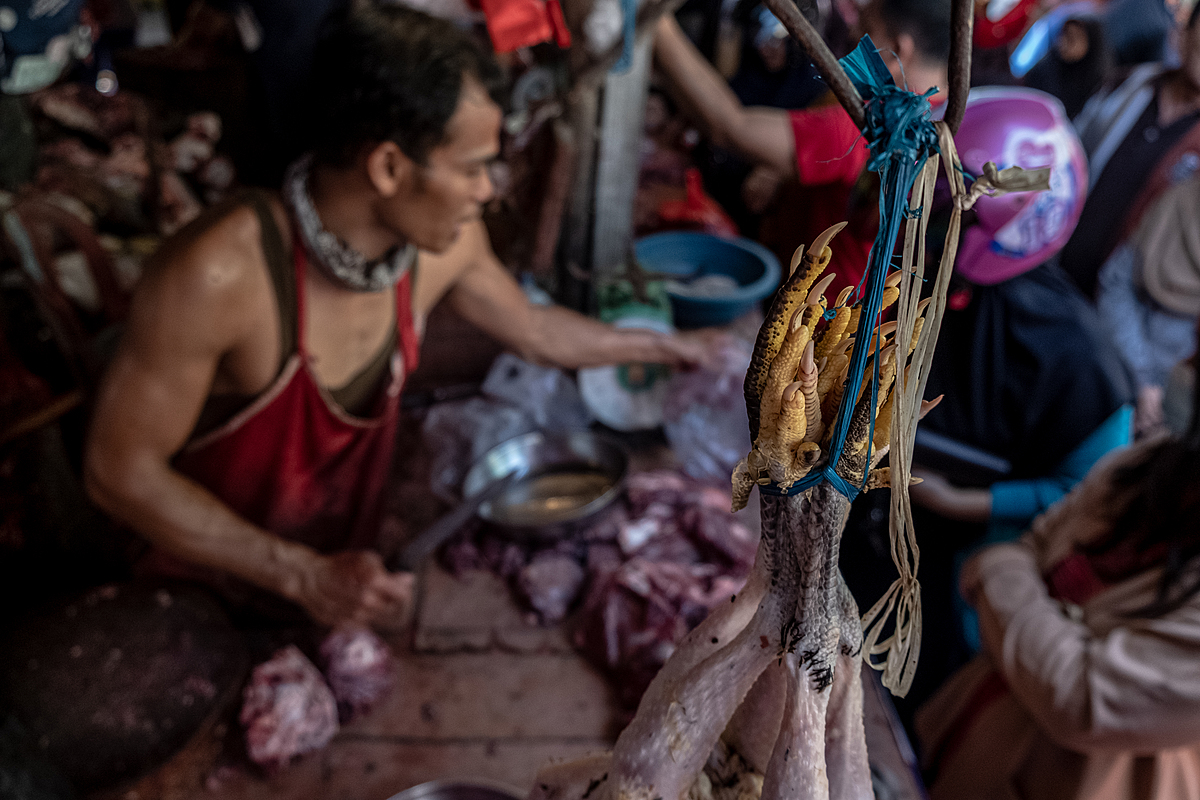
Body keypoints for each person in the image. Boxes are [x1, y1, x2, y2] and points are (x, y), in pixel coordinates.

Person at [83, 4, 711, 629]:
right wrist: (297, 572)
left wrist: (675, 350)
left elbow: (535, 329)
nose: (488, 190)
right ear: (387, 167)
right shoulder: (218, 274)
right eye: (470, 168)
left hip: (337, 576)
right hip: (200, 592)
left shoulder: (445, 247)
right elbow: (119, 473)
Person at [852, 87, 1135, 721]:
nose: (917, 220)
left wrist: (961, 501)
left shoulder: (1075, 362)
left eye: (946, 205)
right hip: (874, 541)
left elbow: (1090, 494)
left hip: (965, 592)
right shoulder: (922, 277)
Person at [915, 341, 1200, 800]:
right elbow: (1031, 543)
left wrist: (998, 575)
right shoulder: (1150, 466)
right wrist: (1053, 631)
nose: (1185, 369)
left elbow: (1079, 700)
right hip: (970, 729)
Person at [651, 0, 951, 297]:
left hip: (823, 324)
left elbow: (731, 127)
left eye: (867, 31)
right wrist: (784, 174)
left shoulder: (869, 126)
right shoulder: (946, 120)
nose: (852, 37)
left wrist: (655, 22)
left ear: (897, 49)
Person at [1059, 2, 1200, 298]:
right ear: (1182, 35)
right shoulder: (1127, 85)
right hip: (1054, 274)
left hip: (1118, 314)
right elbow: (1067, 158)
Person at [1097, 175, 1200, 436]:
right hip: (1108, 368)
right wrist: (1143, 381)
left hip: (1172, 413)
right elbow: (1116, 285)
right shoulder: (1181, 200)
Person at [1023, 15, 1114, 119]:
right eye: (1062, 35)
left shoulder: (1101, 81)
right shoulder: (1043, 72)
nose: (1063, 43)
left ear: (1091, 41)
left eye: (1072, 39)